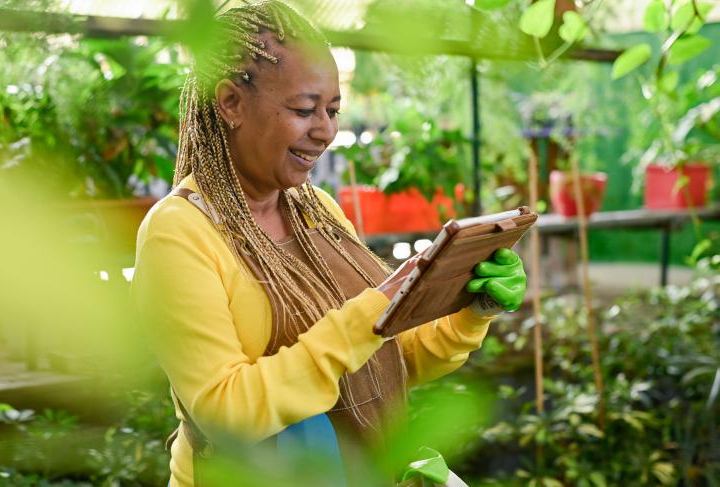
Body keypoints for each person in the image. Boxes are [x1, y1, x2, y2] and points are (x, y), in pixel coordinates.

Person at [130, 2, 527, 486]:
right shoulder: (179, 231)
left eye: (333, 110)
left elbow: (386, 361)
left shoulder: (316, 211)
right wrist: (365, 315)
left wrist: (470, 311)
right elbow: (225, 412)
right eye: (303, 110)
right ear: (231, 102)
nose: (325, 131)